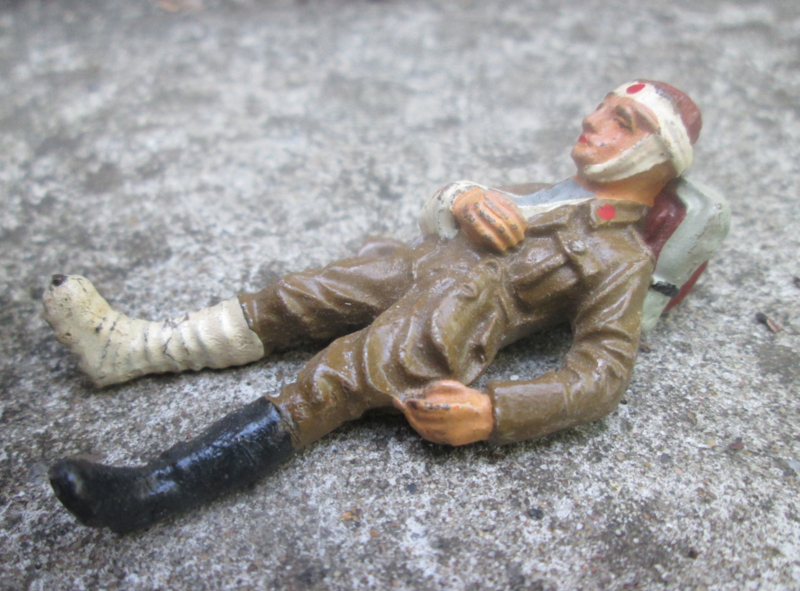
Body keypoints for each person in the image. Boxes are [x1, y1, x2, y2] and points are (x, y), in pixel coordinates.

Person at [44, 81, 729, 533]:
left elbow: (603, 374)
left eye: (621, 121)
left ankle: (157, 488)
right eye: (603, 108)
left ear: (657, 156)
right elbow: (443, 210)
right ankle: (134, 348)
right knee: (292, 297)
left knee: (332, 381)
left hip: (451, 320)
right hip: (407, 263)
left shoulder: (621, 257)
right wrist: (462, 196)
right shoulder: (543, 188)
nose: (592, 121)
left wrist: (495, 411)